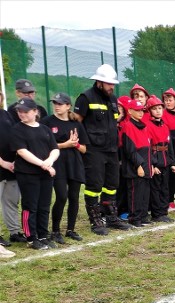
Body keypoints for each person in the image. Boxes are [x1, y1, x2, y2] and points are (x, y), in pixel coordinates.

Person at [74, 63, 132, 234]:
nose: (111, 86)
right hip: (94, 150)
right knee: (94, 185)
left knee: (112, 185)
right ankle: (95, 221)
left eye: (113, 84)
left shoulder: (113, 100)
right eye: (108, 83)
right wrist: (84, 144)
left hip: (111, 149)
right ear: (99, 82)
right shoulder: (86, 97)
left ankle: (111, 217)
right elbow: (77, 121)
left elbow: (114, 123)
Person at [10, 98, 60, 250]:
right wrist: (43, 164)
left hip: (45, 173)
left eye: (25, 111)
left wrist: (50, 160)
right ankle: (31, 237)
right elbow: (22, 151)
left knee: (44, 205)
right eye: (19, 111)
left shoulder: (44, 129)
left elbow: (55, 148)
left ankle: (43, 235)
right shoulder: (17, 129)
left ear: (35, 111)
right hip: (27, 173)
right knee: (30, 205)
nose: (22, 114)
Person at [44, 92, 89, 243]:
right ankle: (55, 231)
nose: (57, 106)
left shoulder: (76, 124)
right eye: (55, 103)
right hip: (57, 164)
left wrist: (75, 144)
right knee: (62, 196)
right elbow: (44, 147)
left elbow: (84, 149)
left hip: (74, 164)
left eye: (60, 104)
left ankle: (71, 229)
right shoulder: (47, 122)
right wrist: (65, 144)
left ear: (68, 106)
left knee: (74, 197)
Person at [118, 97, 155, 228]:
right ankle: (135, 218)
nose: (141, 113)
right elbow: (130, 150)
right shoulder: (128, 127)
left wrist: (150, 163)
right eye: (138, 110)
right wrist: (138, 165)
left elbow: (148, 147)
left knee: (145, 193)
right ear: (130, 111)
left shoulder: (143, 127)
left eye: (142, 110)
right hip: (135, 167)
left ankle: (143, 216)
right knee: (135, 193)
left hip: (145, 164)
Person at [143, 95, 175, 223]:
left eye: (159, 108)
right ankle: (157, 214)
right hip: (156, 162)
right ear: (150, 110)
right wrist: (153, 164)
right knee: (156, 188)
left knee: (165, 188)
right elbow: (148, 147)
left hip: (165, 161)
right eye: (155, 108)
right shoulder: (147, 126)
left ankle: (164, 211)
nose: (158, 111)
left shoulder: (165, 126)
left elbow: (170, 146)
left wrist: (172, 162)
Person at [1, 90, 27, 247]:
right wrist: (3, 162)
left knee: (11, 201)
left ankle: (14, 232)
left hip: (10, 167)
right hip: (3, 165)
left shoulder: (5, 114)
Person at [160, 88, 175, 210]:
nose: (167, 102)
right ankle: (169, 200)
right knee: (169, 177)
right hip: (169, 150)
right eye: (165, 100)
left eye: (170, 100)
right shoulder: (163, 115)